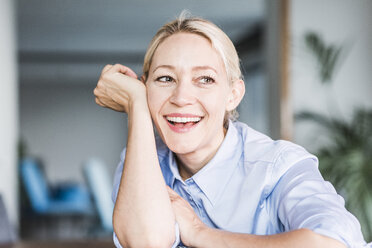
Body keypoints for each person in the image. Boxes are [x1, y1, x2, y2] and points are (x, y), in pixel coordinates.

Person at [93, 13, 369, 248]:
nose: (181, 97)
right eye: (165, 78)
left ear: (233, 95)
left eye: (205, 79)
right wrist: (137, 107)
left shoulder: (277, 167)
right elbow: (146, 243)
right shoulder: (141, 159)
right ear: (145, 87)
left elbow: (333, 243)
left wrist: (201, 234)